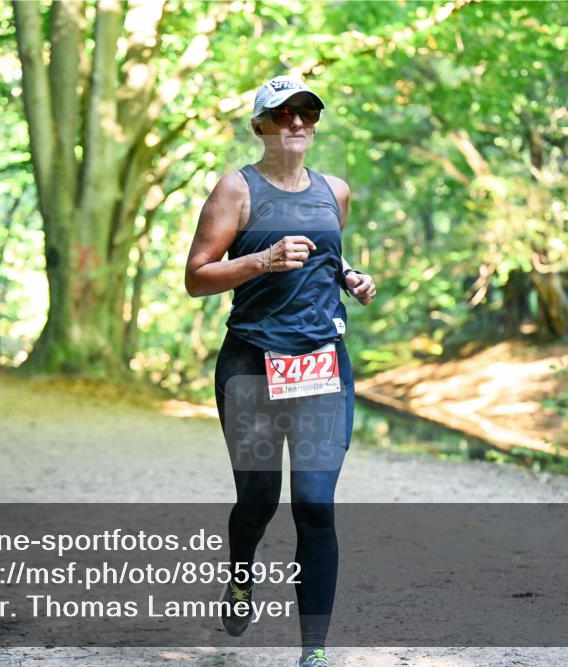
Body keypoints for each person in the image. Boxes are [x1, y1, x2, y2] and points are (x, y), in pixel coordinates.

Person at [184, 75, 376, 667]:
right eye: (284, 114)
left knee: (315, 504)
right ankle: (241, 574)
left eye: (307, 113)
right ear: (261, 125)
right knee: (259, 501)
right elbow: (196, 277)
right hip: (251, 367)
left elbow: (327, 253)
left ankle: (312, 651)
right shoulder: (235, 190)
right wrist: (261, 260)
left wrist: (350, 277)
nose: (297, 123)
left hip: (321, 363)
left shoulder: (334, 191)